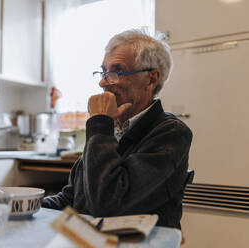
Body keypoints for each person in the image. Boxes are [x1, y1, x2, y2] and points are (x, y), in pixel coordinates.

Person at [42, 29, 193, 229]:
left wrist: (99, 124)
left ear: (151, 79)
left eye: (116, 71)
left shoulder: (172, 133)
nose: (103, 82)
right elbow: (72, 199)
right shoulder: (108, 129)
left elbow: (107, 206)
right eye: (103, 71)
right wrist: (26, 205)